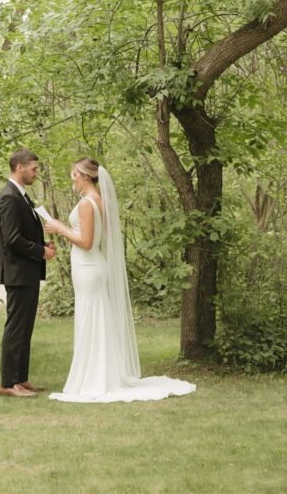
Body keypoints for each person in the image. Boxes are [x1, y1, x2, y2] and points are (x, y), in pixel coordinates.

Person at [45, 157, 196, 403]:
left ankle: (93, 378)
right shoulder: (98, 201)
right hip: (92, 266)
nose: (72, 179)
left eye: (73, 174)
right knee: (95, 319)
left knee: (90, 319)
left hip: (88, 266)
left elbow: (86, 242)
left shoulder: (87, 203)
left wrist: (59, 228)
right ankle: (98, 374)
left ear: (84, 176)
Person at [0, 147, 56, 398]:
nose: (36, 172)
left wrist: (44, 245)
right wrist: (40, 252)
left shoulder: (22, 195)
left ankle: (21, 379)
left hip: (27, 272)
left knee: (25, 327)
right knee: (16, 328)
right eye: (34, 168)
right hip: (17, 273)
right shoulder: (9, 196)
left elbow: (25, 232)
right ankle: (8, 383)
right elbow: (11, 239)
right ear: (20, 168)